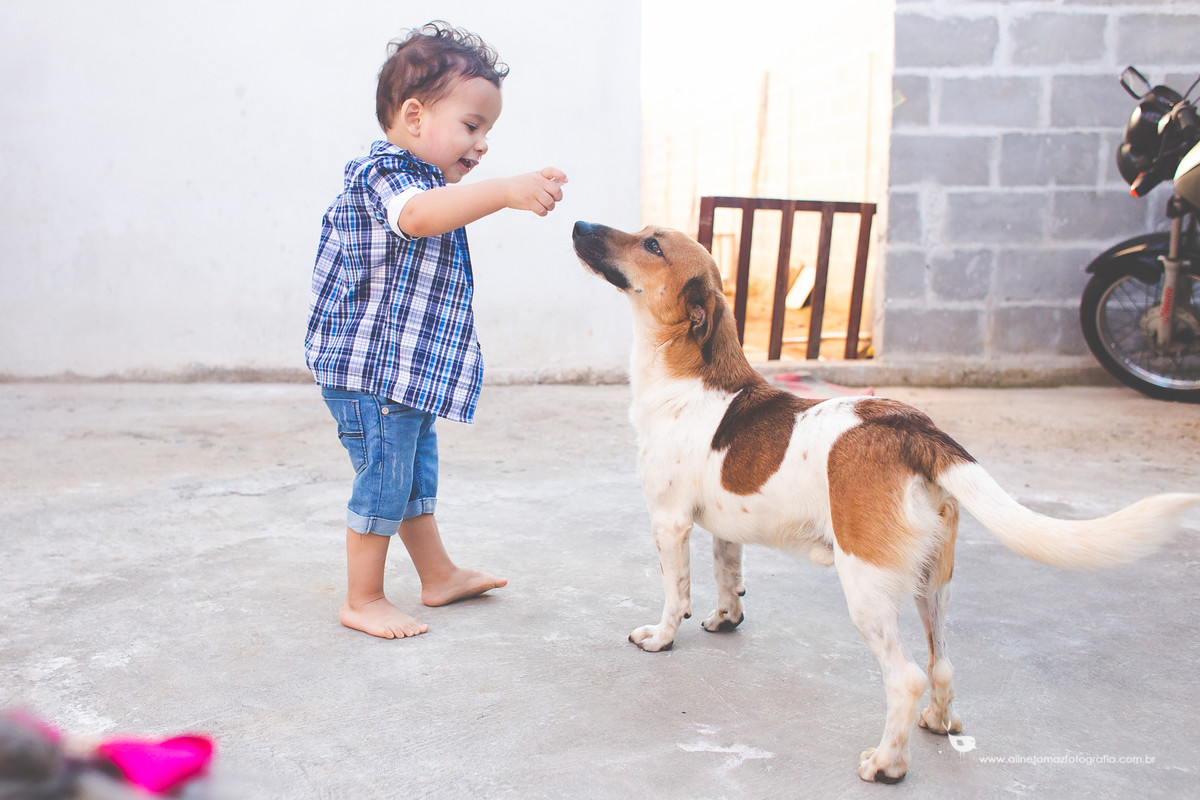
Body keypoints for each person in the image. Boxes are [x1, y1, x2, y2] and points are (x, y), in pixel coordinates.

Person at [305, 21, 567, 639]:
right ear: (415, 115)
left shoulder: (423, 180)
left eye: (488, 133)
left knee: (415, 477)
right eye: (472, 127)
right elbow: (418, 219)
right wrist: (501, 192)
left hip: (404, 371)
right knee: (384, 479)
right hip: (370, 371)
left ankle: (438, 574)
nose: (481, 146)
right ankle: (362, 598)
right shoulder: (387, 174)